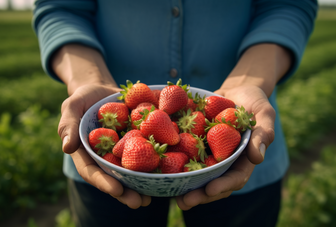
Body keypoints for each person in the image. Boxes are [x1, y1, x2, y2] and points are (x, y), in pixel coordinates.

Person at [32, 1, 318, 226]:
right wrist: (86, 80)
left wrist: (249, 82)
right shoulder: (121, 134)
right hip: (107, 168)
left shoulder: (210, 130)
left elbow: (287, 4)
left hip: (238, 154)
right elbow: (61, 7)